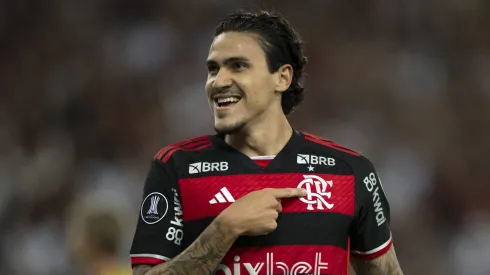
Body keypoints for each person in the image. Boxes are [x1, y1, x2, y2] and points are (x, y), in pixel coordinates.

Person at [130, 10, 403, 275]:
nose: (218, 81)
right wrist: (224, 229)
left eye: (238, 66)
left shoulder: (348, 171)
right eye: (213, 69)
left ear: (282, 77)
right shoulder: (176, 166)